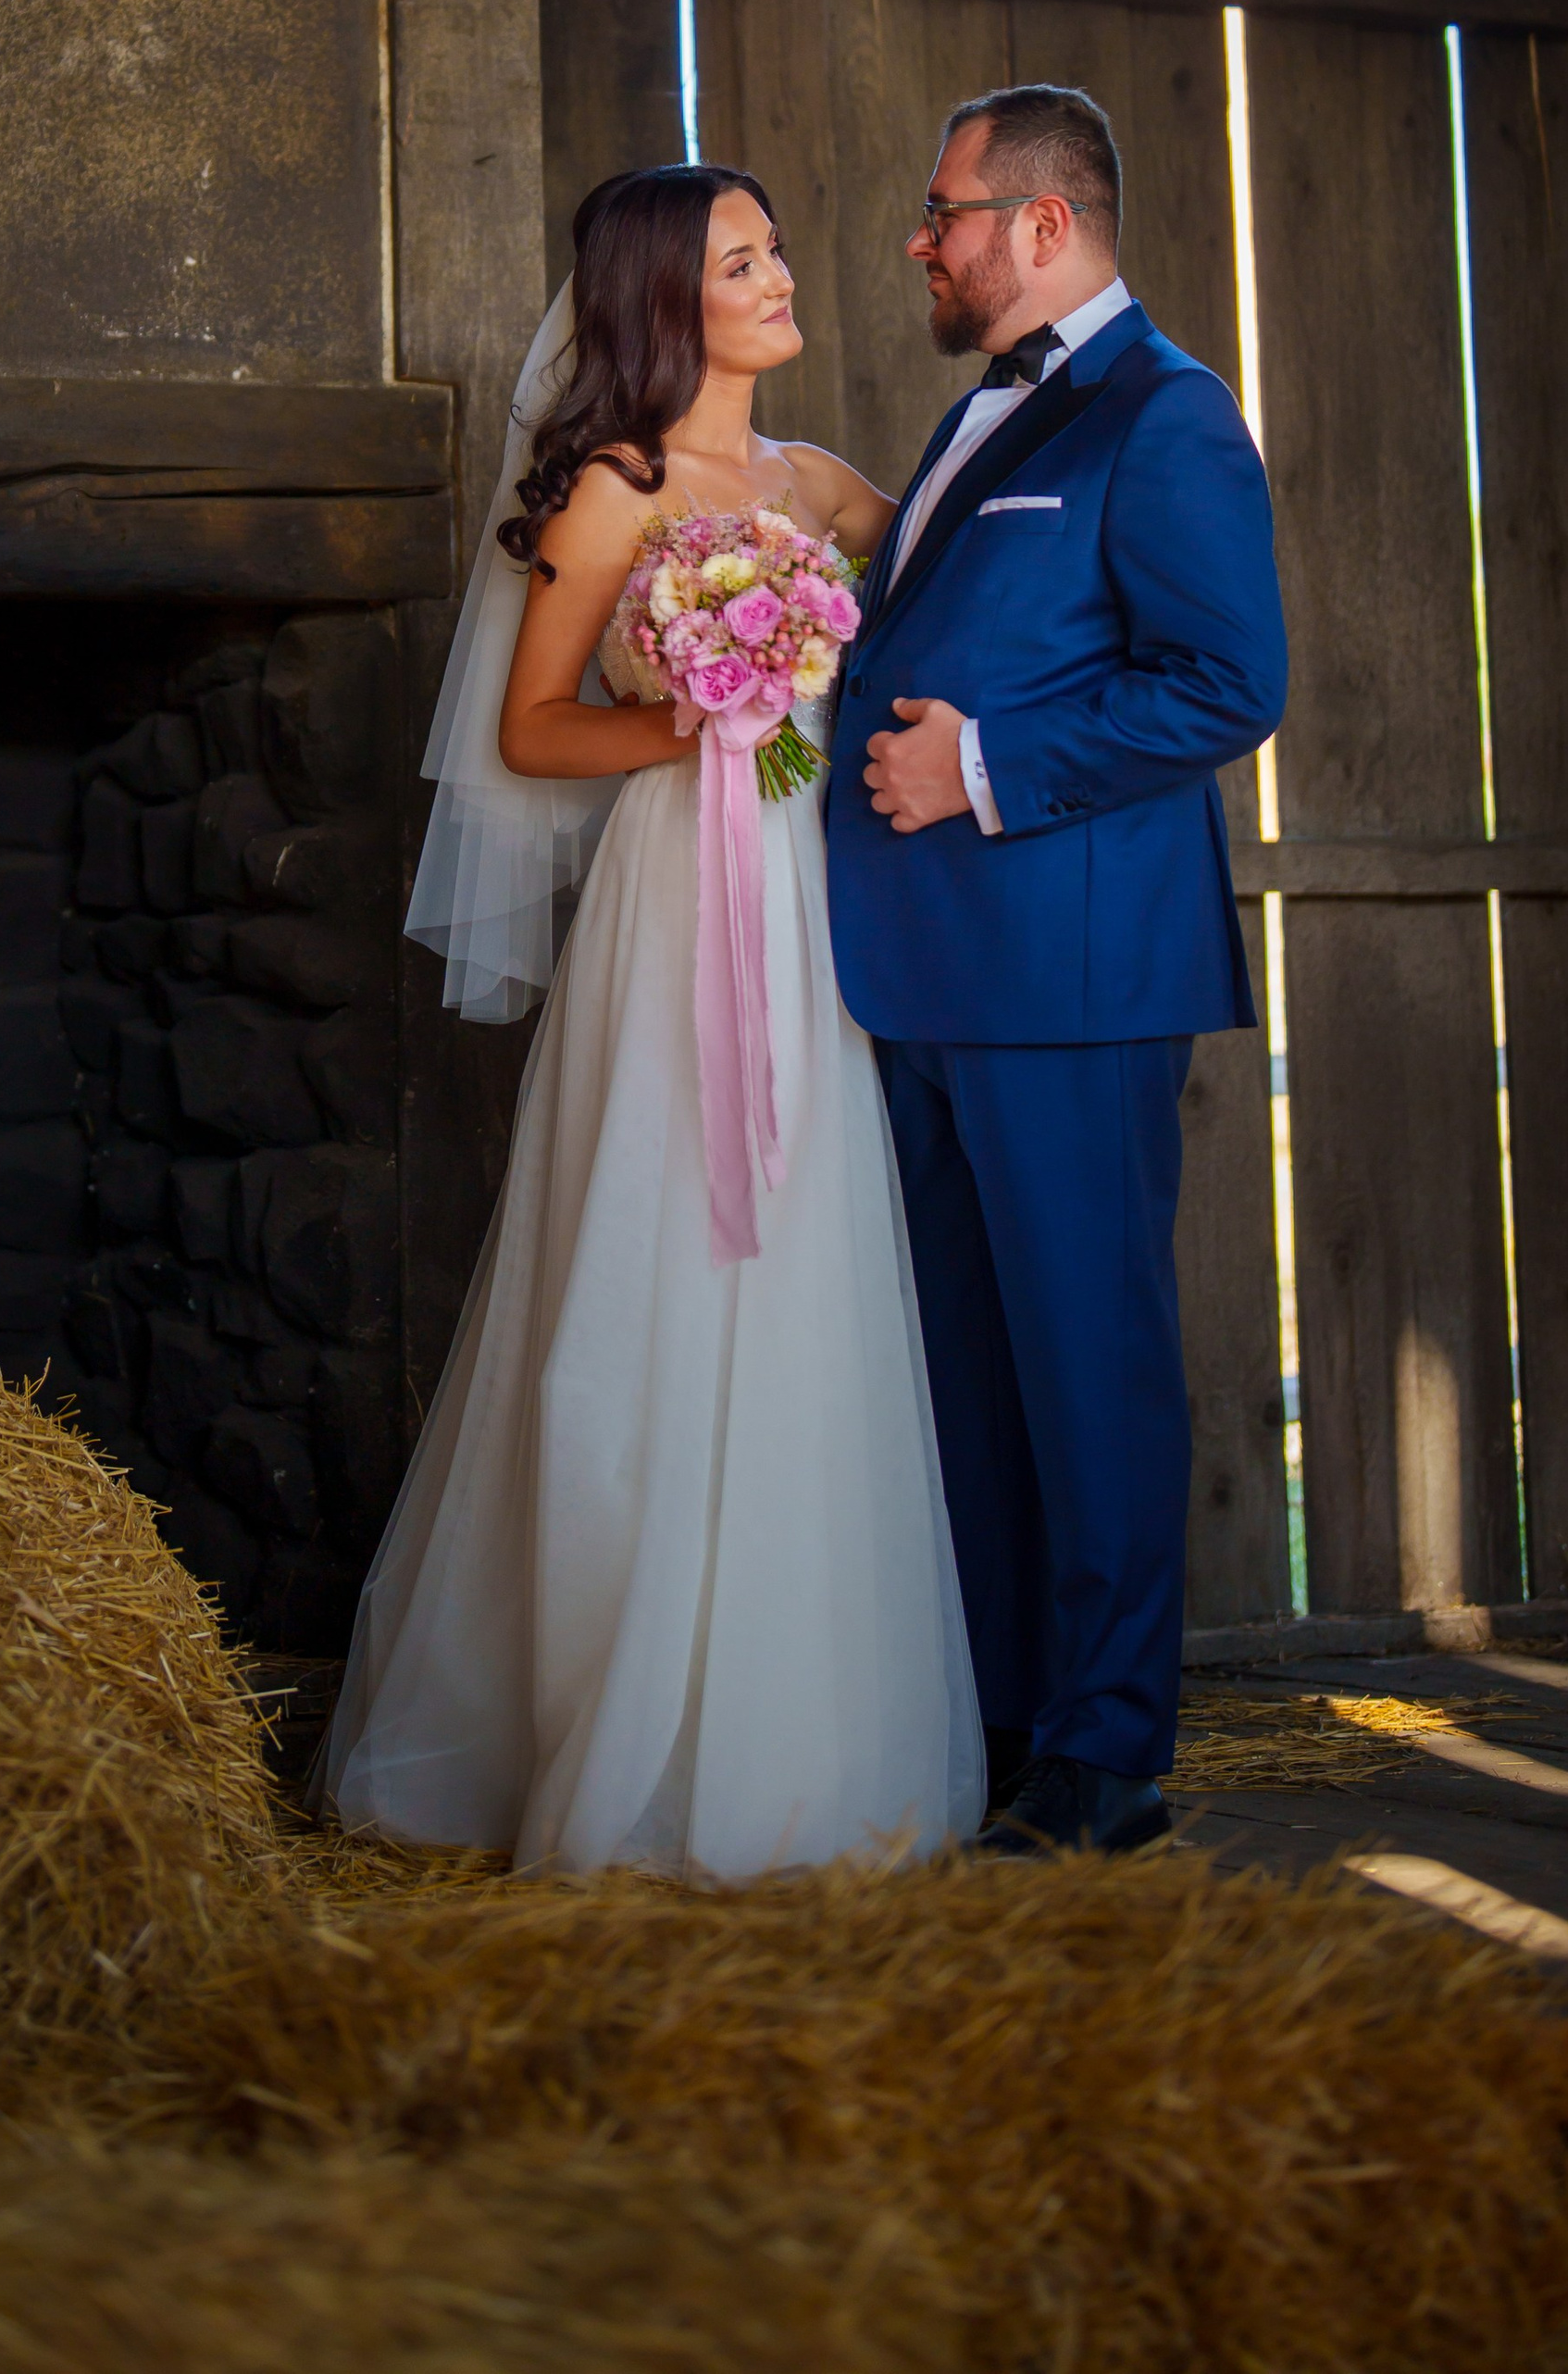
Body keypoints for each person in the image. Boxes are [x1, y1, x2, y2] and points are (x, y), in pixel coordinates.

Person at [315, 164, 982, 1875]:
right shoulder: (609, 494)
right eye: (734, 261)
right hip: (677, 908)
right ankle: (616, 1738)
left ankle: (805, 1741)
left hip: (814, 916)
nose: (774, 276)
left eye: (769, 246)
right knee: (662, 1257)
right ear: (659, 306)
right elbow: (532, 730)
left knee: (812, 1266)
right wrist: (705, 719)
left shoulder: (823, 487)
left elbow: (957, 610)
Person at [825, 84, 1287, 1858]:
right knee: (968, 1372)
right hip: (924, 980)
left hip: (1072, 976)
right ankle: (1004, 1723)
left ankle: (1106, 1763)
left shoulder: (1167, 416)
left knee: (1089, 1369)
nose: (922, 242)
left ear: (1042, 225)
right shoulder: (976, 412)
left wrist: (981, 768)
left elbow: (1226, 682)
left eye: (946, 211)